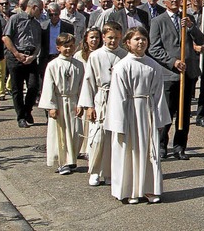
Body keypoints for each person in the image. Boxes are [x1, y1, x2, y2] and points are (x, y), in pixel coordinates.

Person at [104, 27, 170, 204]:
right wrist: (119, 122)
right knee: (130, 150)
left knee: (149, 151)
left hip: (147, 111)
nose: (141, 42)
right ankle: (130, 190)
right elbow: (117, 97)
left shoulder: (153, 65)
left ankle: (150, 188)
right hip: (129, 112)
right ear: (128, 43)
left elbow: (159, 93)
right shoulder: (121, 67)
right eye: (137, 39)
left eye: (143, 39)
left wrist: (160, 117)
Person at [149, 0, 204, 160]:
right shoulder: (158, 21)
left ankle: (180, 147)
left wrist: (191, 27)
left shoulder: (188, 18)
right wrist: (172, 62)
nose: (175, 1)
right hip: (169, 74)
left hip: (188, 73)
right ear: (164, 2)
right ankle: (161, 144)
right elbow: (154, 48)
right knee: (166, 111)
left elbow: (201, 40)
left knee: (184, 112)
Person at [79, 22, 127, 186]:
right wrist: (89, 105)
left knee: (114, 137)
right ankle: (94, 170)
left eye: (116, 38)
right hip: (101, 98)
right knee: (98, 137)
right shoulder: (96, 55)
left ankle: (109, 172)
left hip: (118, 99)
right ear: (104, 38)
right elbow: (88, 81)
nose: (113, 41)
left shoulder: (124, 55)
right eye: (110, 38)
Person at [39, 33, 85, 175]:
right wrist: (51, 106)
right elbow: (48, 86)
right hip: (59, 102)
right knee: (60, 133)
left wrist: (81, 103)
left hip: (73, 101)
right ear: (58, 48)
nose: (69, 49)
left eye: (71, 46)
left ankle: (72, 160)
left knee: (75, 132)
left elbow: (83, 86)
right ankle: (62, 162)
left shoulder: (79, 65)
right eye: (65, 46)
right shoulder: (53, 65)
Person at [3, 0, 44, 128]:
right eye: (40, 9)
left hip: (30, 57)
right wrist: (16, 54)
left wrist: (33, 56)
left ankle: (27, 110)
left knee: (33, 86)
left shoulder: (37, 24)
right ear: (34, 7)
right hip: (16, 57)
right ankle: (20, 116)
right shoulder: (15, 19)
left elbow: (38, 43)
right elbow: (6, 37)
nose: (42, 12)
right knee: (17, 89)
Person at [73, 27, 103, 158]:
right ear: (86, 38)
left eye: (97, 37)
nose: (94, 40)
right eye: (92, 37)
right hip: (83, 89)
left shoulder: (102, 53)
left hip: (98, 90)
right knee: (84, 119)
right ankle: (83, 147)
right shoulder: (79, 55)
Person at [187, 0, 204, 128]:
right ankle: (185, 113)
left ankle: (201, 116)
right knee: (190, 86)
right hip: (192, 54)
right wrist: (194, 47)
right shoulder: (186, 14)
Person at [40, 3, 75, 76]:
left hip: (62, 57)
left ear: (59, 13)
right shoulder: (42, 26)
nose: (53, 17)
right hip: (46, 58)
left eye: (55, 14)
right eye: (51, 15)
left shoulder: (68, 26)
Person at [0, 0, 13, 101]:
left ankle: (9, 86)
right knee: (0, 71)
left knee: (12, 70)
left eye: (6, 3)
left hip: (11, 47)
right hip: (1, 48)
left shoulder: (14, 16)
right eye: (2, 4)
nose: (4, 5)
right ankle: (1, 92)